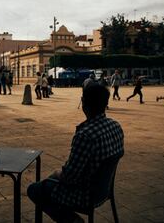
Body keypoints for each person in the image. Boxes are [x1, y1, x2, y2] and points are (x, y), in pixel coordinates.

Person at [27, 84, 124, 223]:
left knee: (35, 189)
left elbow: (69, 177)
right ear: (106, 103)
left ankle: (71, 219)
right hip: (104, 190)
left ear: (83, 102)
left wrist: (56, 174)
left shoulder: (85, 135)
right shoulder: (116, 126)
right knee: (48, 185)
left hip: (85, 195)